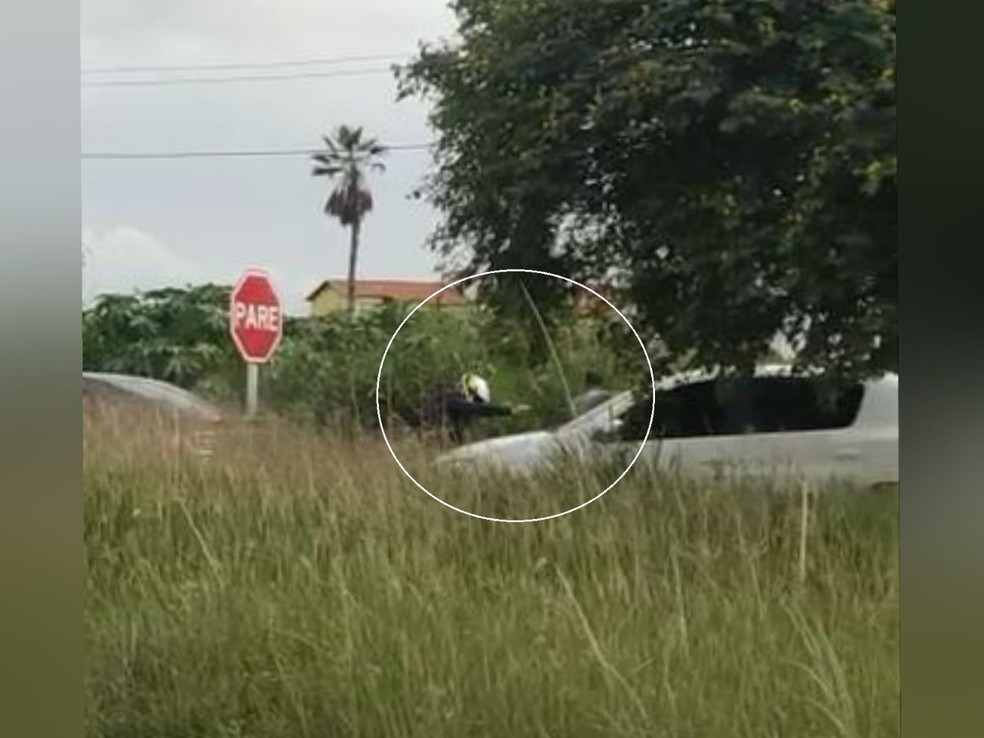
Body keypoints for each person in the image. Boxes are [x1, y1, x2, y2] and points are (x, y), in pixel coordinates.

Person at [415, 372, 530, 445]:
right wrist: (508, 410)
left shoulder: (451, 402)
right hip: (424, 443)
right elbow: (477, 409)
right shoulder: (454, 400)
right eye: (478, 401)